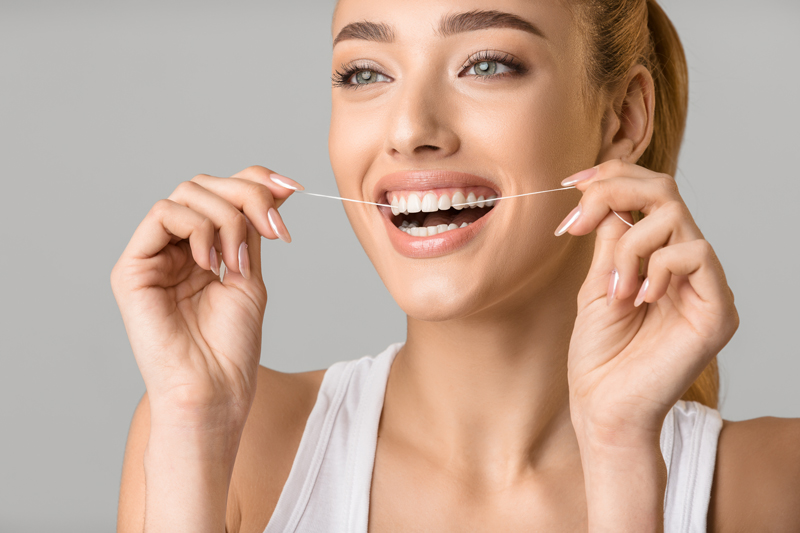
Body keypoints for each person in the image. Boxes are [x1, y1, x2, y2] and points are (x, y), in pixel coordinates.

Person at [111, 0, 800, 531]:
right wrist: (194, 434)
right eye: (365, 73)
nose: (410, 129)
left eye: (488, 64)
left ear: (622, 118)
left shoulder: (772, 487)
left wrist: (622, 458)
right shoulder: (224, 438)